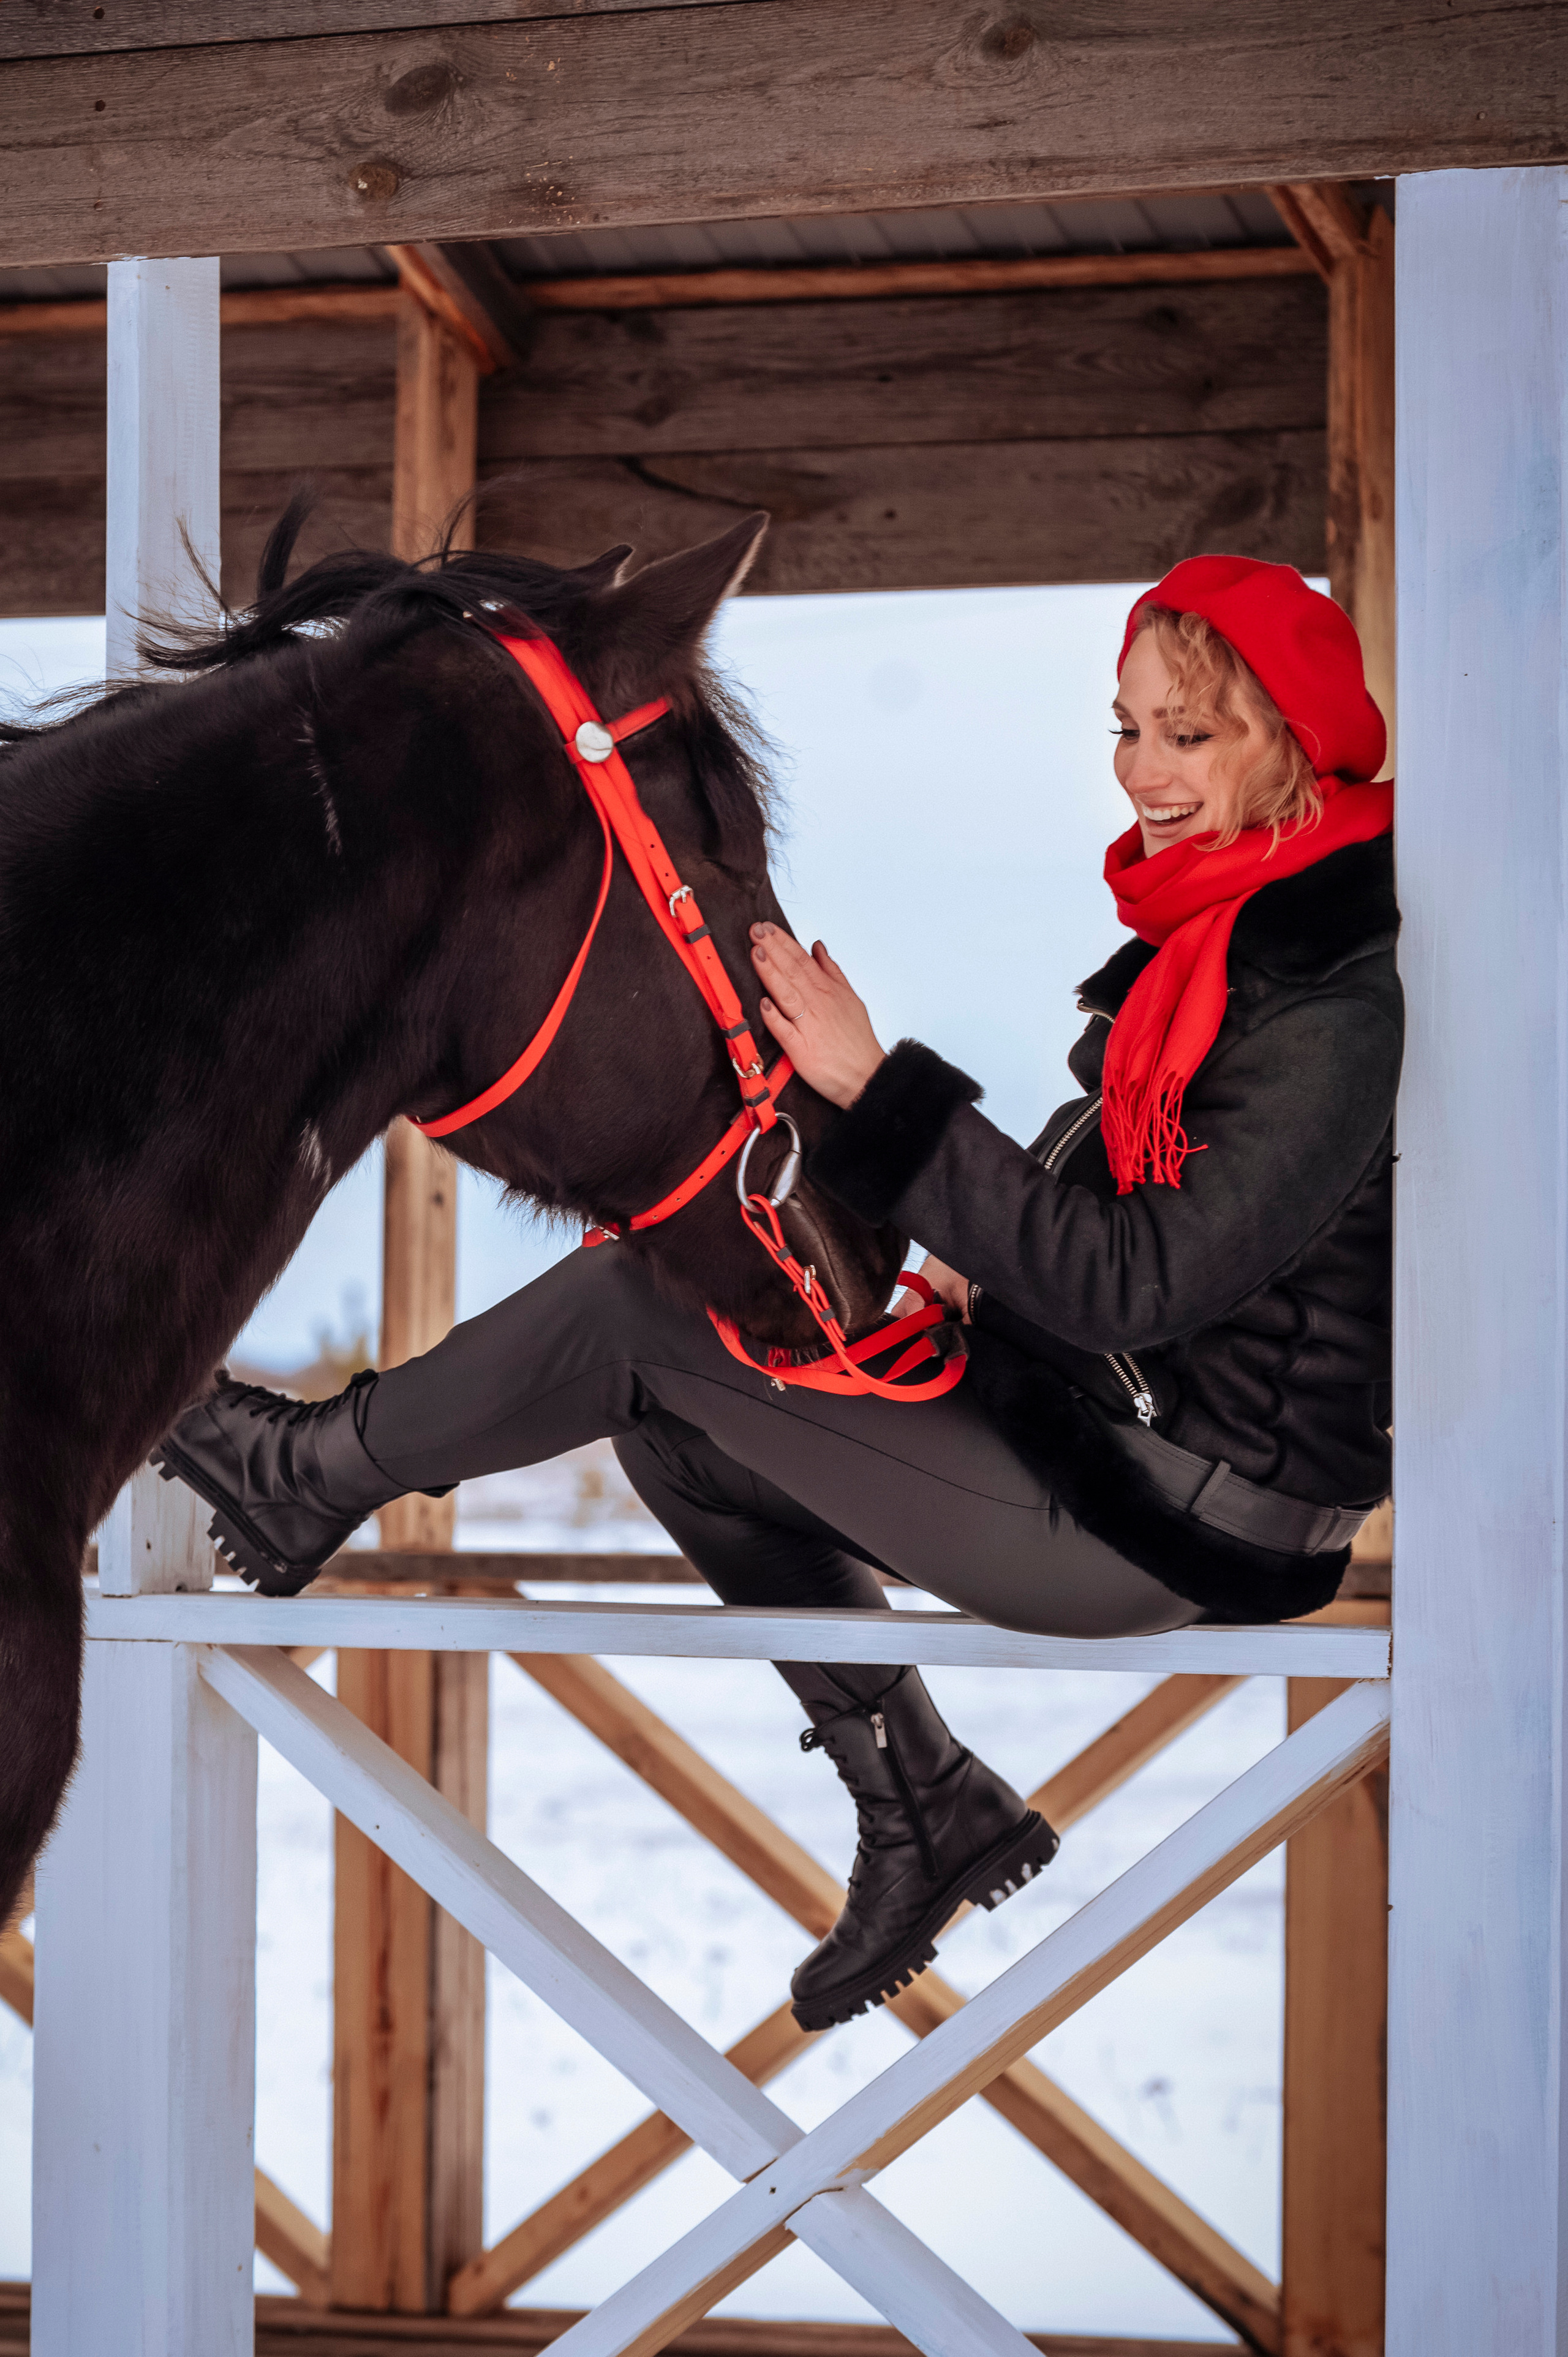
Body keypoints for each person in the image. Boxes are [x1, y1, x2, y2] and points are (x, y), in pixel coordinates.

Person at [158, 556, 1400, 2031]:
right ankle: (922, 1803)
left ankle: (306, 1472)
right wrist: (972, 1269)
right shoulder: (1222, 941)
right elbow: (1142, 1234)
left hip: (1170, 1511)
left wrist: (877, 1091)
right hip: (1107, 1431)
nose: (1144, 774)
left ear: (1292, 737)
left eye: (1188, 736)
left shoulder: (1327, 1003)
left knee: (636, 1308)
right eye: (1124, 731)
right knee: (686, 1425)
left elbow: (1137, 1280)